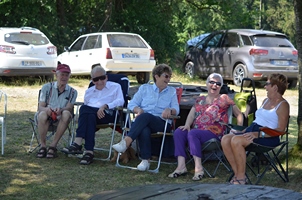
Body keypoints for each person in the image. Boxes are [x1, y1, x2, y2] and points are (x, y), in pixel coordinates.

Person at [168, 73, 243, 181]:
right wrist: (187, 125)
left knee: (193, 133)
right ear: (207, 84)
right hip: (196, 132)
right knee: (179, 132)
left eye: (218, 83)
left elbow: (239, 114)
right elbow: (191, 114)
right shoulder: (200, 99)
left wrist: (237, 130)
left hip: (214, 133)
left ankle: (198, 168)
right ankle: (181, 166)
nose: (214, 85)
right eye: (212, 82)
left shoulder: (224, 98)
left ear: (221, 86)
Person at [221, 73, 289, 185]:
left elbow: (280, 130)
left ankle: (241, 178)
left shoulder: (283, 105)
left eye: (267, 84)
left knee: (236, 141)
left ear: (275, 87)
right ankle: (238, 174)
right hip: (252, 131)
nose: (265, 87)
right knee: (225, 139)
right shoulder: (265, 101)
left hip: (267, 137)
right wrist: (245, 130)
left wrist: (259, 134)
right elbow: (258, 120)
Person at [112, 63, 180, 171]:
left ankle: (126, 142)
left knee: (145, 116)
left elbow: (177, 109)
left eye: (170, 76)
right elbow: (131, 104)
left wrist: (170, 110)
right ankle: (145, 161)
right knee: (144, 128)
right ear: (156, 76)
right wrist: (137, 109)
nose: (168, 79)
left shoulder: (171, 91)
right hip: (142, 122)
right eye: (166, 76)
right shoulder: (144, 88)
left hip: (161, 122)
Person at [62, 66, 124, 165]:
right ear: (92, 80)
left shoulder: (115, 86)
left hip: (107, 113)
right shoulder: (89, 91)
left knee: (85, 109)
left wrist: (105, 106)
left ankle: (78, 142)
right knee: (88, 114)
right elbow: (87, 105)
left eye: (102, 78)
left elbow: (120, 101)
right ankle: (89, 152)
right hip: (92, 117)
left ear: (106, 77)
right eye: (96, 79)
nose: (99, 81)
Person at [36, 64, 78, 158]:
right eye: (62, 74)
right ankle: (43, 146)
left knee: (67, 113)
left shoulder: (73, 92)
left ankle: (53, 146)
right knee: (42, 114)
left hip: (61, 117)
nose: (64, 77)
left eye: (66, 75)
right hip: (46, 115)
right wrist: (48, 110)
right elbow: (40, 107)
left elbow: (69, 108)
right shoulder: (46, 87)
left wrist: (61, 110)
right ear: (56, 75)